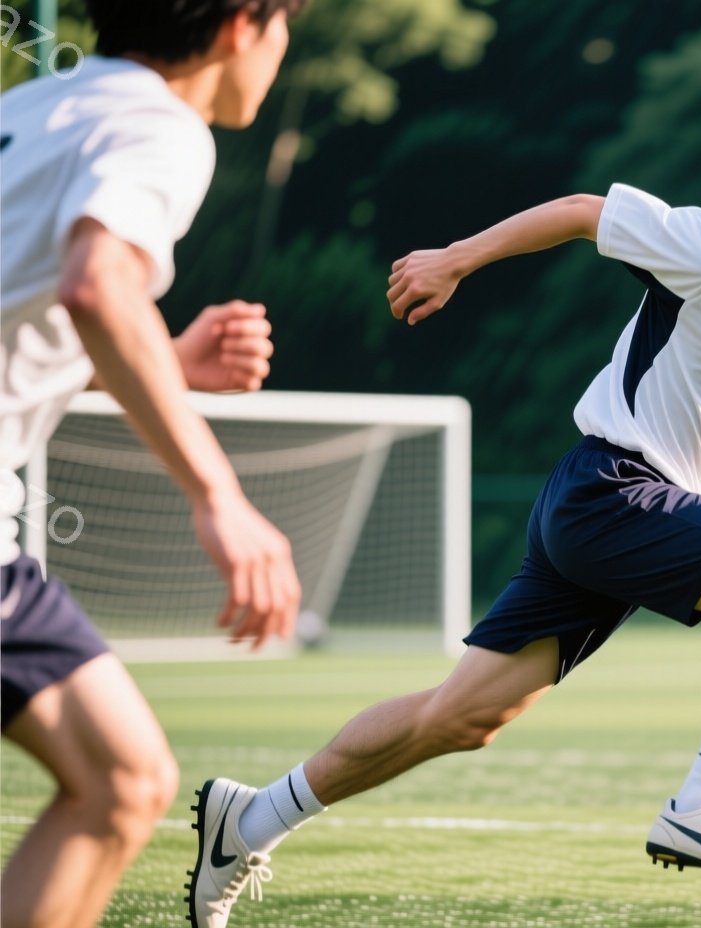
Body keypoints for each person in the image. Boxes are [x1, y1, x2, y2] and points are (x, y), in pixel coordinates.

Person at [190, 90, 701, 924]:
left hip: (618, 510)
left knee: (461, 716)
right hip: (608, 489)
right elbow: (587, 212)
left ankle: (251, 817)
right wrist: (454, 259)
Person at [0, 2, 305, 925]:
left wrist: (167, 361)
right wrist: (221, 497)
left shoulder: (35, 110)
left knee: (122, 778)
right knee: (122, 782)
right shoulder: (160, 125)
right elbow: (98, 282)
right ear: (242, 25)